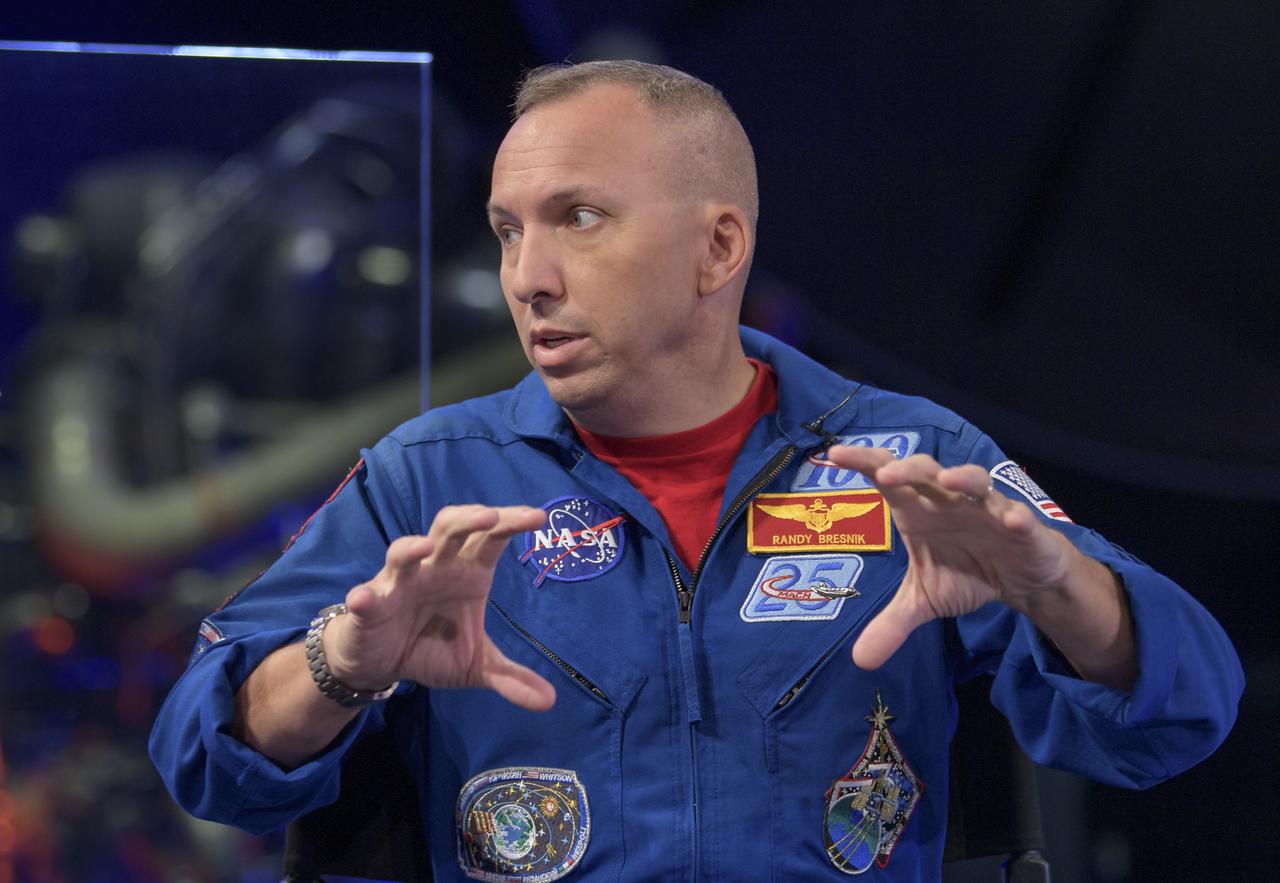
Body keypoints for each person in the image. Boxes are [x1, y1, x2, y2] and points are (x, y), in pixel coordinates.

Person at [150, 61, 1242, 881]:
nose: (527, 276)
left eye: (577, 218)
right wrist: (346, 663)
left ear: (716, 248)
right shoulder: (424, 481)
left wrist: (1054, 585)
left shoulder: (908, 461)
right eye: (504, 229)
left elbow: (1182, 714)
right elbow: (204, 758)